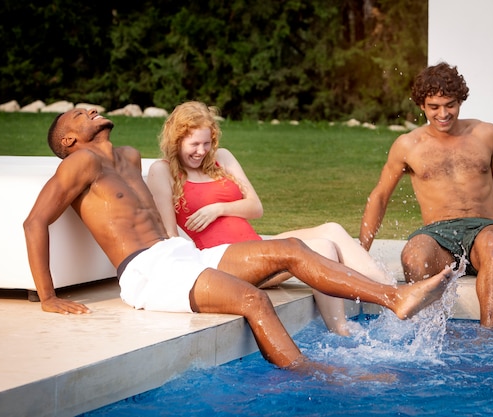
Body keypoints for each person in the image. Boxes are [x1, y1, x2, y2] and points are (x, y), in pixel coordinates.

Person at [24, 108, 451, 375]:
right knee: (252, 300)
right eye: (80, 115)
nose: (92, 110)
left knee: (294, 250)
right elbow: (35, 222)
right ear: (68, 140)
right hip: (146, 272)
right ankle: (312, 373)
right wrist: (47, 296)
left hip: (179, 255)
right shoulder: (78, 163)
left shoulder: (129, 156)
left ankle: (394, 297)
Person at [146, 101, 393, 336]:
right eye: (194, 144)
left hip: (256, 247)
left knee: (332, 230)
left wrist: (218, 209)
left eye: (207, 143)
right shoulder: (163, 170)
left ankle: (392, 291)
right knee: (322, 248)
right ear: (177, 140)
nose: (202, 151)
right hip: (226, 262)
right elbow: (170, 235)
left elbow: (256, 207)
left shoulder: (223, 158)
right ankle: (341, 329)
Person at [358, 62, 493, 328]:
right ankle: (429, 333)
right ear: (421, 106)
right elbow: (380, 197)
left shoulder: (486, 134)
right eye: (434, 107)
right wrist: (360, 254)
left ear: (460, 101)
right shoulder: (408, 145)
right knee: (413, 255)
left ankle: (488, 338)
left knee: (490, 245)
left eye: (450, 104)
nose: (443, 113)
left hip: (486, 229)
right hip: (439, 236)